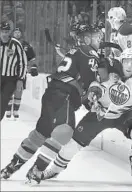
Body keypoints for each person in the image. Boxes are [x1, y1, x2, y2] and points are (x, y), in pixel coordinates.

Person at [26, 48, 132, 186]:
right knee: (72, 145)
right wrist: (95, 91)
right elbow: (96, 83)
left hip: (124, 114)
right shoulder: (109, 69)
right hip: (99, 115)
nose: (129, 66)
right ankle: (54, 170)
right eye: (127, 62)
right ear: (121, 61)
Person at [1, 24, 104, 183]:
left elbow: (79, 80)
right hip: (64, 96)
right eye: (97, 37)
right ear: (86, 39)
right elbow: (90, 83)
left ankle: (11, 166)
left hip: (51, 94)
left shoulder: (75, 51)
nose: (100, 40)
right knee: (65, 131)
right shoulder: (89, 52)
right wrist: (95, 96)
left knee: (39, 134)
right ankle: (37, 170)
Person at [6, 27, 38, 119]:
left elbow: (32, 58)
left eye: (19, 32)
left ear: (21, 34)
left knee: (18, 90)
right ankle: (8, 110)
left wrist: (33, 67)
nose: (17, 34)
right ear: (12, 33)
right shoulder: (9, 44)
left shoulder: (26, 45)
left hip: (22, 71)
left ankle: (16, 111)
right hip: (10, 71)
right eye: (15, 32)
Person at [0, 22, 27, 121]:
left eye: (6, 32)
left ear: (9, 32)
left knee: (3, 101)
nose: (4, 34)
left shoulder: (16, 44)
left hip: (10, 79)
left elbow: (23, 63)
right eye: (2, 31)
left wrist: (21, 79)